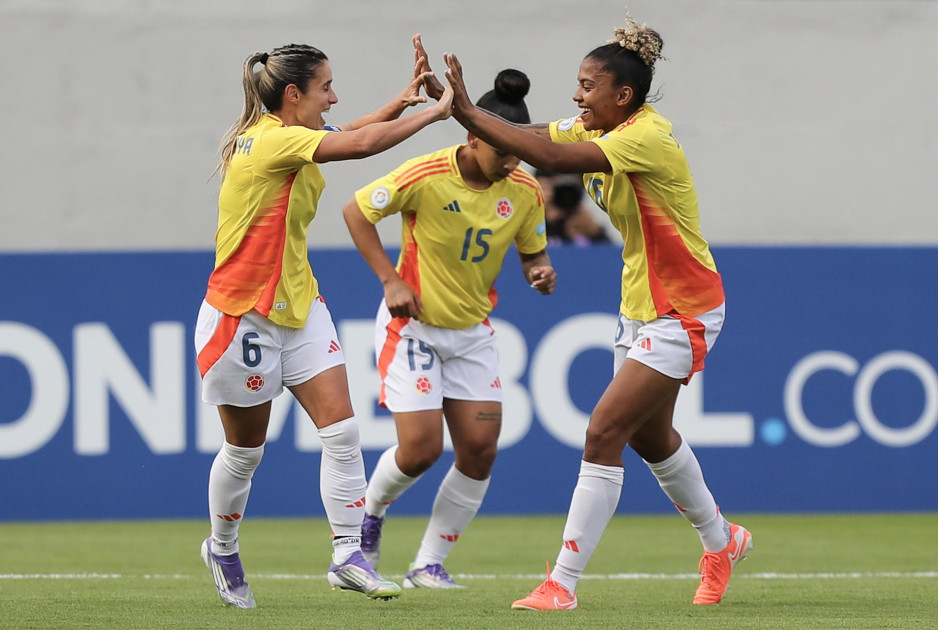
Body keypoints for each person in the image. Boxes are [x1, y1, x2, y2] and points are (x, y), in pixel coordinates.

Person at [433, 12, 753, 609]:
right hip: (640, 302)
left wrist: (470, 117)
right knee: (651, 439)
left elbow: (550, 160)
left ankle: (562, 583)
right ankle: (722, 539)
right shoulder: (598, 124)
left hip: (683, 308)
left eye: (586, 86)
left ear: (622, 96)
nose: (576, 96)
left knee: (603, 430)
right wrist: (472, 118)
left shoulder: (643, 137)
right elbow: (536, 134)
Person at [193, 40, 454, 608]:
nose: (334, 96)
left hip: (299, 304)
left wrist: (402, 102)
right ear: (293, 95)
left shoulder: (287, 136)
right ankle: (223, 545)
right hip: (243, 314)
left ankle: (347, 556)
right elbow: (357, 144)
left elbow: (351, 131)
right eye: (326, 87)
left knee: (342, 432)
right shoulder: (272, 142)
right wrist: (438, 112)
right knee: (245, 452)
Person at [342, 64, 556, 589]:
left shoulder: (526, 190)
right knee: (420, 449)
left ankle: (428, 563)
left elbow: (534, 253)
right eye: (501, 150)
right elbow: (354, 210)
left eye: (517, 152)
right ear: (472, 136)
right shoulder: (426, 174)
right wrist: (391, 281)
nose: (511, 161)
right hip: (412, 327)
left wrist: (539, 272)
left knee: (480, 451)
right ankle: (369, 515)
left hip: (471, 332)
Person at [535, 170, 612, 246]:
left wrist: (596, 233)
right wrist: (541, 215)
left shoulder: (580, 219)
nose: (564, 196)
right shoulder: (532, 219)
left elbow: (608, 254)